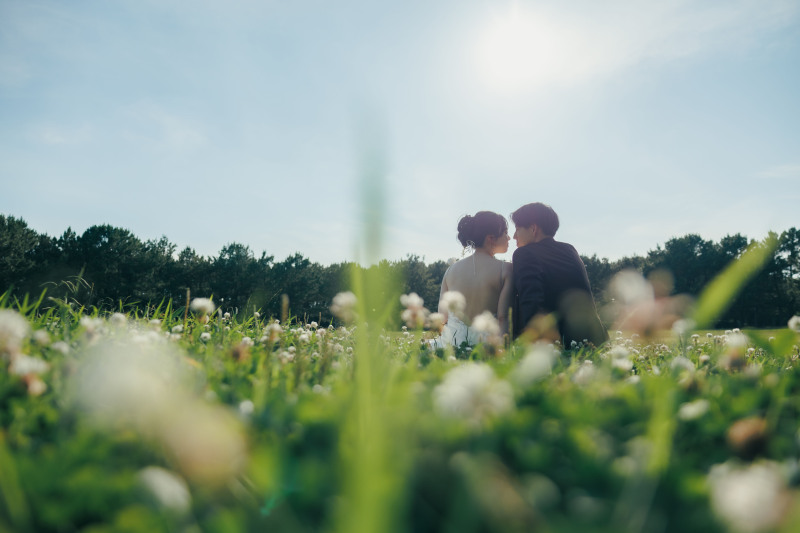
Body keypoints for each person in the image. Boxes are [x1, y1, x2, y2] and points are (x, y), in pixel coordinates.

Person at [511, 202, 607, 347]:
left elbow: (531, 301)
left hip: (561, 344)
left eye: (517, 229)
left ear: (533, 228)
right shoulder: (569, 250)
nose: (514, 236)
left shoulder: (524, 253)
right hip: (595, 339)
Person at [430, 211, 514, 348]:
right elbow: (503, 317)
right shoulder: (506, 269)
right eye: (505, 232)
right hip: (486, 346)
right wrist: (503, 349)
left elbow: (442, 318)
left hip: (453, 344)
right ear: (491, 238)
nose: (509, 237)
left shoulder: (451, 270)